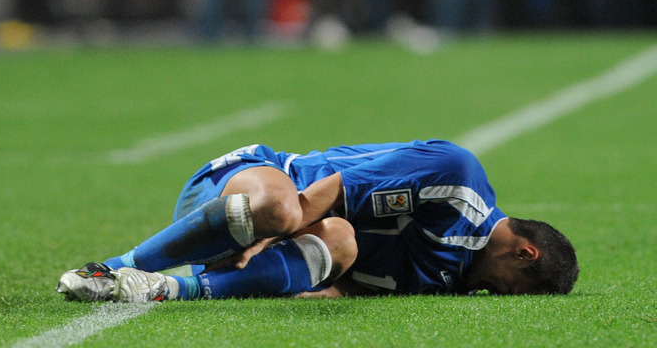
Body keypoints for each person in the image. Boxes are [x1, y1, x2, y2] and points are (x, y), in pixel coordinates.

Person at [57, 139, 578, 303]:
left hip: (259, 234)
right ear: (522, 253)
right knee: (287, 212)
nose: (494, 295)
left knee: (341, 242)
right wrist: (268, 238)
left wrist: (291, 285)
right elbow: (328, 193)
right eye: (509, 291)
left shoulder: (451, 277)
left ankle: (165, 288)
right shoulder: (459, 180)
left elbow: (342, 283)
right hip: (250, 186)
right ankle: (111, 267)